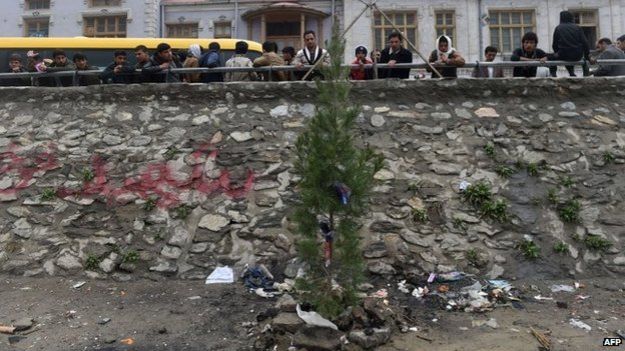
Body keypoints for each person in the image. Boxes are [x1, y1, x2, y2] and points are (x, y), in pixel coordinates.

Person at [546, 11, 590, 77]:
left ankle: (553, 74)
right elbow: (585, 43)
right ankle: (571, 73)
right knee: (568, 52)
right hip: (578, 56)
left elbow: (554, 44)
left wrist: (557, 52)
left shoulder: (558, 28)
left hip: (563, 54)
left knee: (550, 57)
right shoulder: (578, 27)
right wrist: (587, 56)